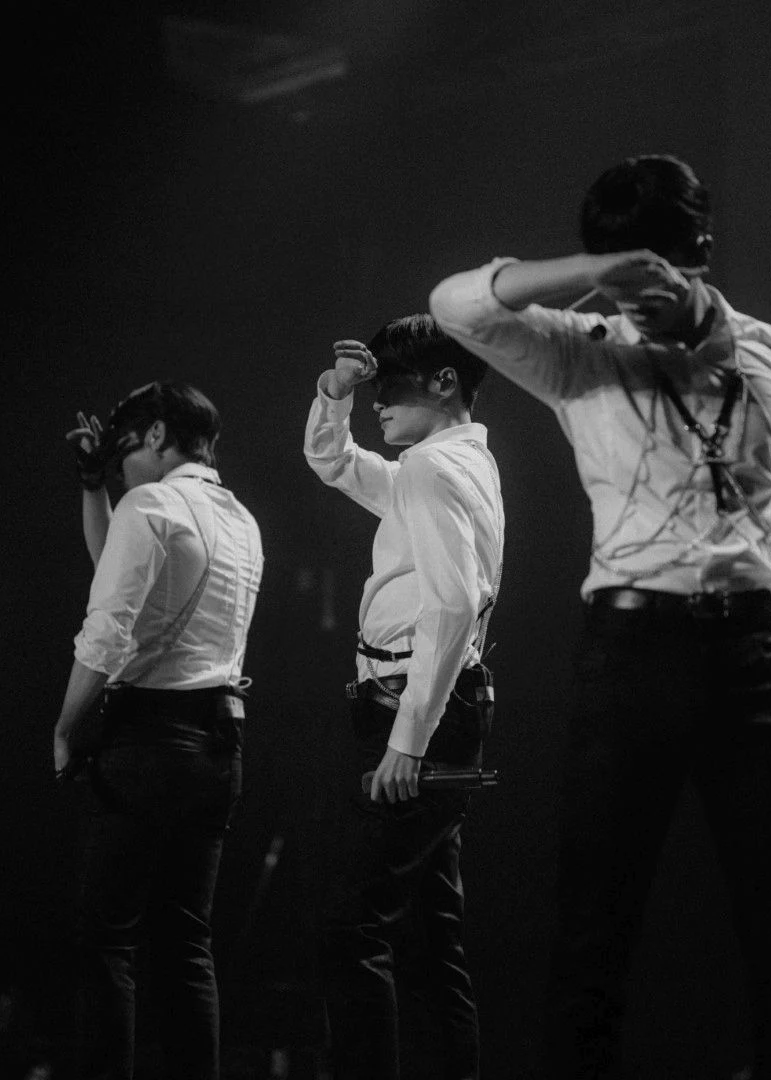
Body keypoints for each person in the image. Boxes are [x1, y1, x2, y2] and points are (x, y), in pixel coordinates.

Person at [429, 153, 771, 1079]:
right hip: (630, 648)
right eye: (617, 275)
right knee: (594, 929)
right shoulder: (584, 347)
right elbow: (456, 305)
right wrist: (591, 274)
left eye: (650, 269)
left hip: (750, 651)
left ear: (699, 251)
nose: (634, 297)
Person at [303, 315, 505, 1080]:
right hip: (438, 704)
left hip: (413, 709)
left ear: (445, 382)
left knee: (353, 933)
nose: (378, 399)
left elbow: (451, 606)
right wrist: (336, 394)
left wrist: (406, 743)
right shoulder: (459, 462)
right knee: (429, 943)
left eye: (390, 384)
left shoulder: (430, 470)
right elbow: (333, 462)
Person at [54, 380, 264, 1080]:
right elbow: (119, 572)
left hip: (147, 739)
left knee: (106, 942)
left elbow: (108, 624)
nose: (121, 470)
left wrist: (66, 728)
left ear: (154, 437)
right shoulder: (241, 519)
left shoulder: (149, 506)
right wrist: (94, 488)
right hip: (219, 746)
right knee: (186, 944)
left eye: (122, 453)